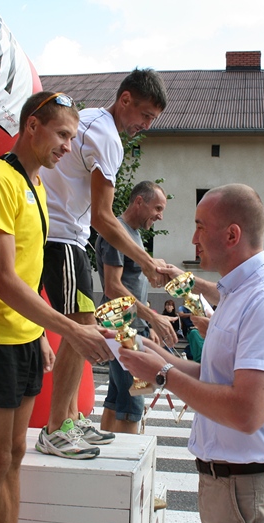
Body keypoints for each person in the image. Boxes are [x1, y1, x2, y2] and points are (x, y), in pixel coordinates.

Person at [0, 91, 113, 523]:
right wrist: (71, 330)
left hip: (23, 336)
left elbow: (29, 270)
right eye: (62, 135)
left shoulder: (36, 184)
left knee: (15, 455)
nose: (68, 146)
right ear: (32, 126)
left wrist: (40, 333)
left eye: (72, 137)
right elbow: (3, 279)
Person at [120, 184, 264, 523]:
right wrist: (146, 351)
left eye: (200, 226)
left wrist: (163, 373)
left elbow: (246, 411)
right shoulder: (238, 294)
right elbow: (213, 375)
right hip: (233, 486)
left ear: (232, 235)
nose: (193, 239)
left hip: (252, 489)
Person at [38, 68, 170, 459]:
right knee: (81, 331)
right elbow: (102, 217)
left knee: (83, 330)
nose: (145, 126)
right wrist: (146, 261)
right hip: (62, 237)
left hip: (61, 235)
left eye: (152, 120)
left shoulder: (91, 119)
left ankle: (69, 418)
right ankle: (56, 427)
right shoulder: (108, 136)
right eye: (144, 115)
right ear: (125, 99)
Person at [95, 181, 171, 435]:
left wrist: (148, 323)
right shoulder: (118, 232)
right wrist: (153, 318)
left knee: (117, 396)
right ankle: (127, 457)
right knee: (134, 398)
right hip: (121, 326)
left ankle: (107, 451)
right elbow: (113, 287)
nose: (160, 216)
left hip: (128, 325)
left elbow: (132, 285)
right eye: (157, 208)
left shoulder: (132, 233)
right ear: (139, 201)